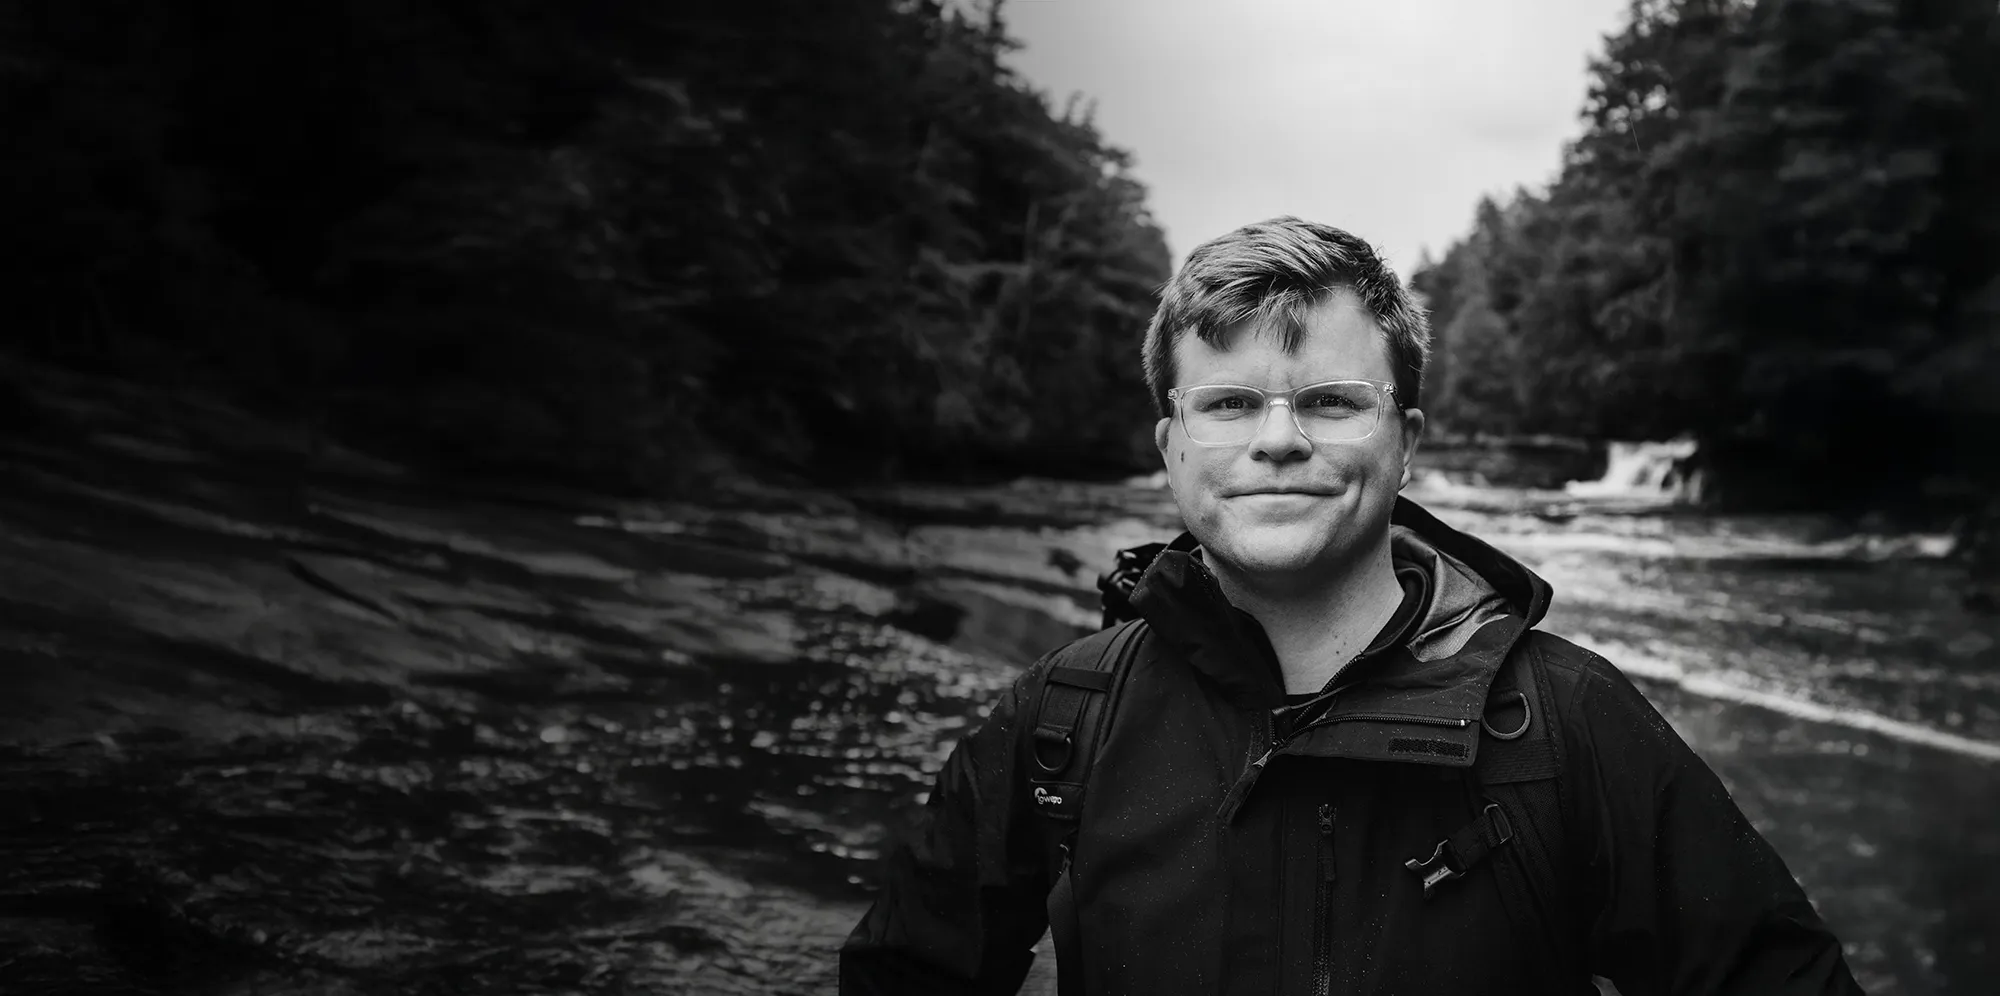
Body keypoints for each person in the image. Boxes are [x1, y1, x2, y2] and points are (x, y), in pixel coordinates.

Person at [839, 217, 1863, 995]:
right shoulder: (1055, 724)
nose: (1277, 440)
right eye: (1229, 403)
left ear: (1406, 441)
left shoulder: (1570, 729)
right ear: (1168, 450)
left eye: (1329, 401)